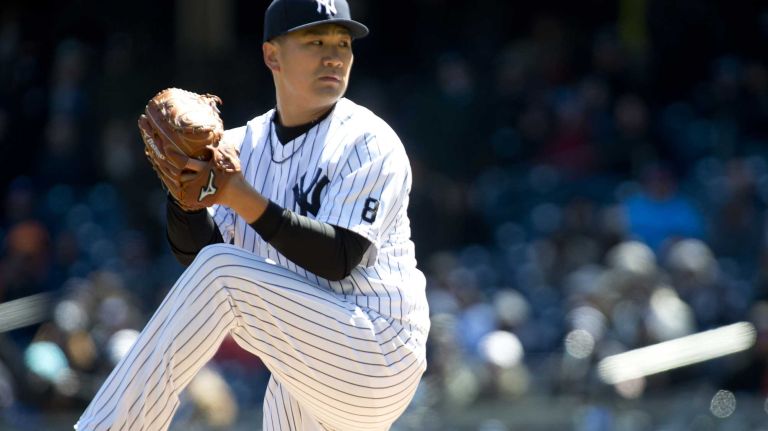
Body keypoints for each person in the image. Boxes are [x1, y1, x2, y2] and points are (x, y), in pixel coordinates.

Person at [74, 0, 430, 429]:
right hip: (306, 356)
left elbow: (340, 258)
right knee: (220, 273)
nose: (334, 55)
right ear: (272, 55)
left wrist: (238, 196)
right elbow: (199, 263)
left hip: (377, 349)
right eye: (315, 40)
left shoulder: (368, 141)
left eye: (342, 42)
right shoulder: (240, 146)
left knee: (224, 272)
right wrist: (185, 198)